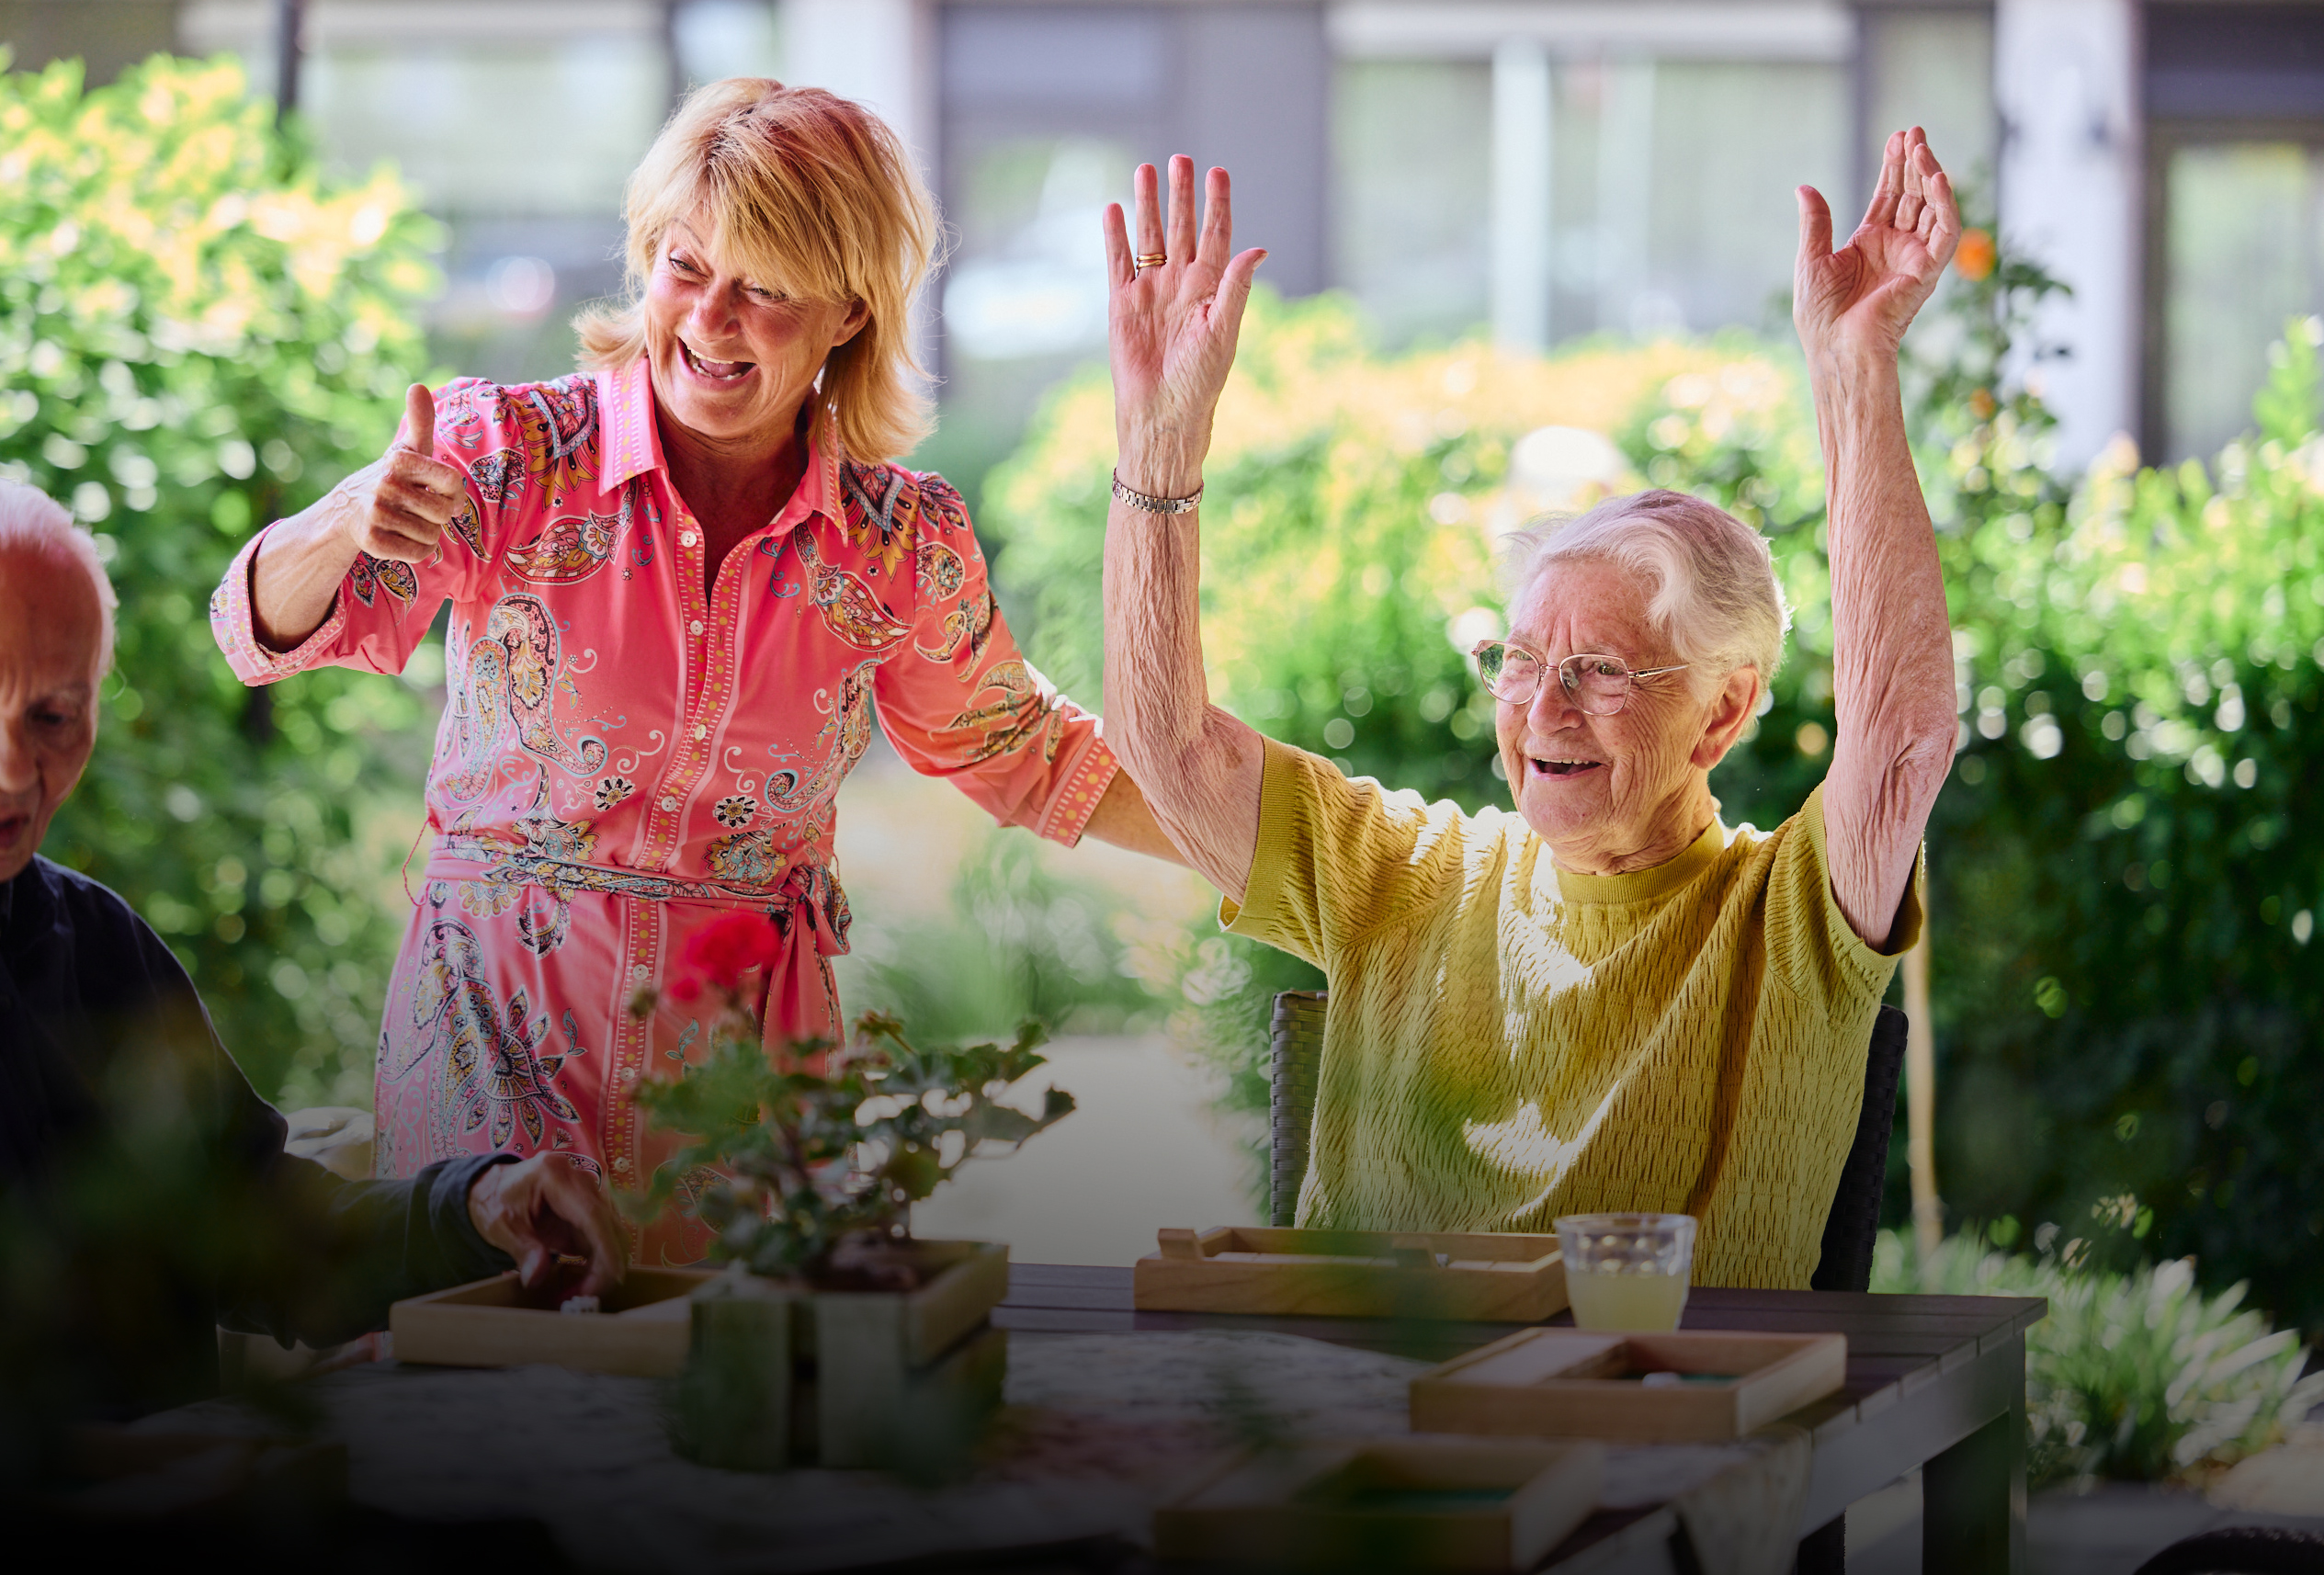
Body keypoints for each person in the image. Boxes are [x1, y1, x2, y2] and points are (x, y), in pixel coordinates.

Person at [209, 80, 1175, 1262]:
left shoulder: (899, 540)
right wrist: (348, 514)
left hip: (744, 1087)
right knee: (492, 1388)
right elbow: (252, 631)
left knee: (740, 1400)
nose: (710, 319)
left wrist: (1285, 852)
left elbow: (1029, 757)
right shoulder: (504, 456)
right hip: (493, 1046)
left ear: (849, 313)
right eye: (683, 266)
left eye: (764, 288)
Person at [1099, 132, 1962, 1287]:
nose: (1542, 708)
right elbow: (1165, 745)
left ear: (1720, 715)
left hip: (1649, 1440)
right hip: (1352, 1429)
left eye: (1601, 671)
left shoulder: (1790, 918)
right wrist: (1158, 444)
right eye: (1519, 660)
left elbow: (1902, 738)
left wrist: (1855, 368)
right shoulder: (1394, 875)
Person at [0, 481, 625, 1413]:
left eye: (53, 717)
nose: (15, 770)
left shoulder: (97, 946)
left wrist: (475, 1206)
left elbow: (257, 1228)